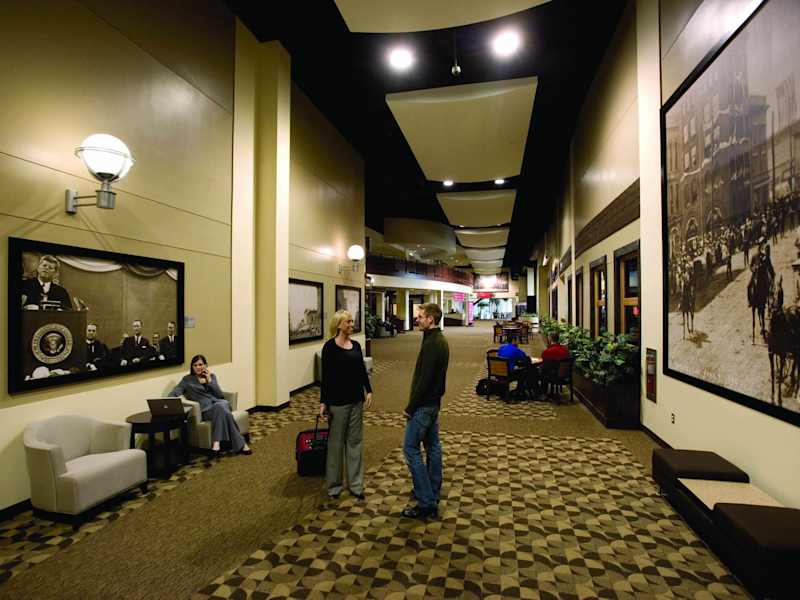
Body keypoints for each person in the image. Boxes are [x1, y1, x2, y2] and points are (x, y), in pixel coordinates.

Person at [319, 310, 373, 500]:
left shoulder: (356, 346)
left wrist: (368, 390)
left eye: (352, 321)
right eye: (348, 322)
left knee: (355, 442)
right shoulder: (329, 348)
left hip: (356, 400)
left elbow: (361, 371)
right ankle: (334, 485)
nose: (352, 324)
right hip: (337, 403)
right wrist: (323, 402)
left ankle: (356, 484)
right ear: (339, 325)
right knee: (336, 445)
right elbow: (326, 377)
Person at [402, 302, 449, 520]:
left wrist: (411, 407)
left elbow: (425, 380)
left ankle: (426, 501)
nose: (417, 319)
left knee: (410, 449)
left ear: (430, 319)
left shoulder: (433, 344)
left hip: (424, 406)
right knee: (433, 446)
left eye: (420, 316)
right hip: (433, 403)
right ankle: (432, 488)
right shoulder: (437, 339)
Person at [169, 354, 251, 457]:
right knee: (226, 413)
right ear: (192, 367)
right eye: (195, 365)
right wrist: (170, 401)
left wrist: (209, 381)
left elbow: (219, 395)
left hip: (219, 404)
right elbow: (174, 393)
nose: (198, 367)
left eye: (200, 364)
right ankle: (242, 444)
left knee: (221, 406)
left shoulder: (212, 377)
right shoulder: (187, 380)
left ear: (205, 365)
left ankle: (216, 443)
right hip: (206, 410)